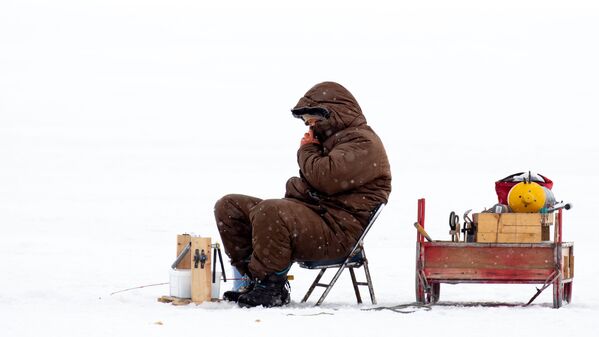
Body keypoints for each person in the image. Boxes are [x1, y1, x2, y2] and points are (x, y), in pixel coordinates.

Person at [214, 81, 392, 307]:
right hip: (316, 217)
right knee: (229, 207)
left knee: (271, 210)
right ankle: (255, 279)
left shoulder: (363, 142)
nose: (308, 125)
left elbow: (324, 178)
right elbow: (315, 183)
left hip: (336, 232)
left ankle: (272, 287)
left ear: (332, 113)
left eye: (312, 119)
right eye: (306, 120)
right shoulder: (330, 142)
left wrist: (307, 150)